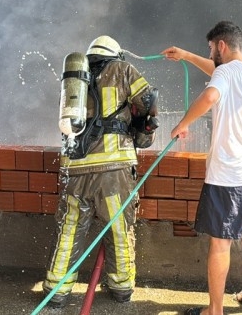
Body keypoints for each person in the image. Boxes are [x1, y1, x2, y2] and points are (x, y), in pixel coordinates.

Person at [162, 21, 242, 315]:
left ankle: (214, 310)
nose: (210, 53)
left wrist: (182, 124)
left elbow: (212, 93)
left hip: (229, 178)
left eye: (211, 48)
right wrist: (186, 56)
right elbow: (217, 73)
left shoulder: (225, 73)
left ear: (221, 46)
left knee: (220, 243)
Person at [43, 35, 158, 308]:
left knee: (70, 228)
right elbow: (149, 100)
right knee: (118, 227)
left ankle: (56, 291)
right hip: (113, 169)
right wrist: (143, 128)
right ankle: (121, 289)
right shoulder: (123, 69)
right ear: (116, 55)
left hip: (74, 167)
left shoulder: (76, 81)